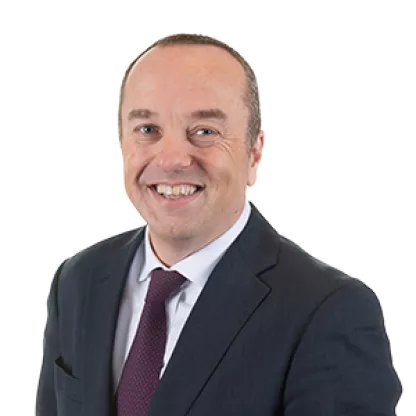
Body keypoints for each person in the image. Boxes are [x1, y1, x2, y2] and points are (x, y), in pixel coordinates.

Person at [36, 32, 402, 415]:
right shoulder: (78, 279)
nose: (172, 159)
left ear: (254, 152)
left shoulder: (330, 312)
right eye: (148, 130)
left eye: (205, 131)